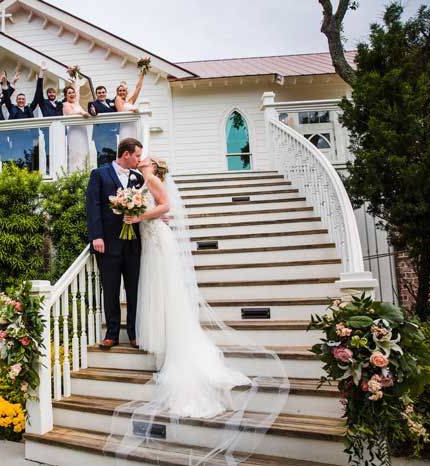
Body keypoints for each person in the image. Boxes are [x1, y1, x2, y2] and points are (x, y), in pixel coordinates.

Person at [104, 155, 289, 464]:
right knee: (157, 290)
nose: (141, 159)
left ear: (152, 165)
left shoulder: (151, 180)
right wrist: (138, 215)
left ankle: (173, 345)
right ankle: (164, 340)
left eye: (145, 158)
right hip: (151, 240)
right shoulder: (145, 181)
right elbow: (161, 210)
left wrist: (137, 217)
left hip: (156, 239)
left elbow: (165, 207)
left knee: (164, 289)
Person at [85, 138, 144, 350]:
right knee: (110, 290)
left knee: (134, 289)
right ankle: (111, 334)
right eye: (137, 155)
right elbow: (93, 206)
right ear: (126, 154)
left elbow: (147, 205)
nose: (139, 159)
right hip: (107, 243)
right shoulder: (99, 174)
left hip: (133, 244)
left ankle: (134, 333)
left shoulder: (138, 178)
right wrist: (96, 236)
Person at [62, 77, 91, 171]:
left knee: (84, 152)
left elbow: (77, 91)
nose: (72, 94)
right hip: (74, 132)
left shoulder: (77, 103)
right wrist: (82, 113)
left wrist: (74, 81)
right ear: (66, 95)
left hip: (82, 131)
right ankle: (75, 172)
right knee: (76, 153)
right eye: (69, 93)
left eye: (72, 92)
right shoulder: (66, 104)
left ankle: (85, 171)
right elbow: (70, 115)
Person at [88, 85, 120, 166]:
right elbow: (92, 112)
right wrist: (93, 112)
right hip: (100, 135)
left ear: (106, 93)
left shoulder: (111, 102)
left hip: (112, 134)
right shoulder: (93, 104)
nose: (101, 94)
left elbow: (119, 99)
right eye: (99, 93)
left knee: (113, 156)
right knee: (102, 157)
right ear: (96, 94)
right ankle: (102, 176)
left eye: (103, 92)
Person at [114, 66, 146, 139]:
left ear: (126, 92)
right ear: (117, 92)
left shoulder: (130, 101)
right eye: (120, 90)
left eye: (123, 90)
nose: (122, 92)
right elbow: (121, 112)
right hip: (125, 127)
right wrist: (133, 110)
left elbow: (138, 88)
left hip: (133, 126)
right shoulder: (118, 99)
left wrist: (142, 75)